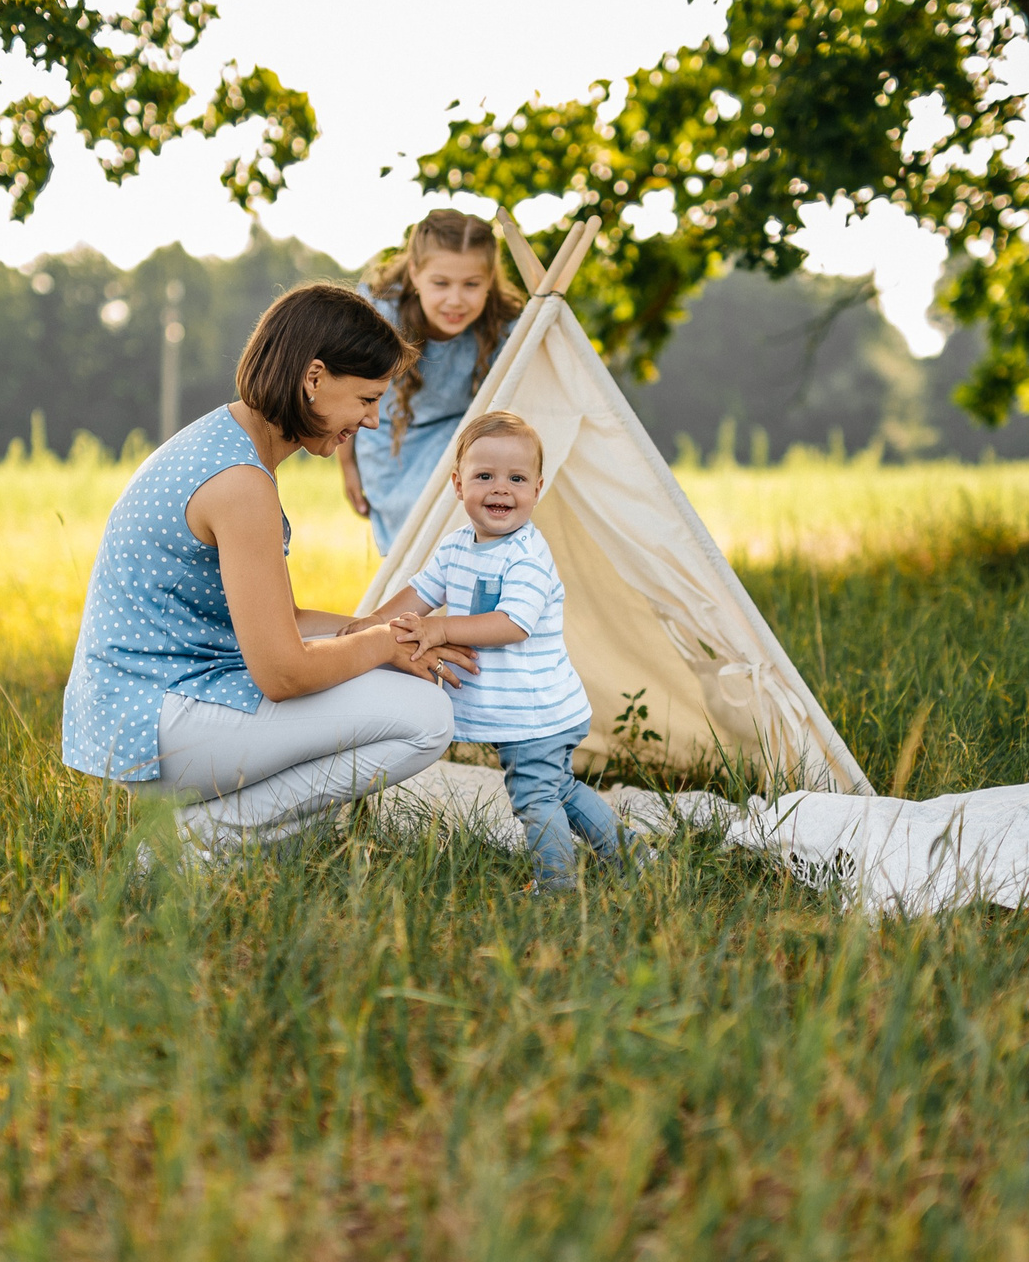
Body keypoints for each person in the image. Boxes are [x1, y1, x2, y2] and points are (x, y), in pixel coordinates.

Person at [61, 282, 478, 851]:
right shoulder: (239, 483)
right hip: (153, 725)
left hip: (139, 712)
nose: (374, 421)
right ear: (313, 378)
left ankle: (252, 836)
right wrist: (382, 646)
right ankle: (192, 842)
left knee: (374, 674)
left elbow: (279, 619)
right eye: (366, 398)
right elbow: (283, 673)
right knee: (428, 716)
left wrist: (375, 633)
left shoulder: (225, 445)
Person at [351, 410, 624, 887]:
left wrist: (440, 630)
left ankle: (557, 886)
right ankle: (631, 859)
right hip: (520, 710)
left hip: (538, 710)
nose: (501, 489)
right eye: (485, 476)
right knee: (558, 790)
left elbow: (512, 623)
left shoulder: (528, 555)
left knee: (536, 799)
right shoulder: (456, 546)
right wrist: (374, 623)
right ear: (458, 486)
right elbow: (421, 591)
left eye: (517, 478)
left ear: (537, 490)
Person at [340, 209, 526, 553]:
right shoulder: (381, 316)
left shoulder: (505, 325)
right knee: (417, 547)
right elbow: (346, 394)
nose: (455, 299)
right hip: (392, 443)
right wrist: (348, 466)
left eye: (471, 285)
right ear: (415, 273)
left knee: (476, 518)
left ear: (489, 281)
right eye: (441, 283)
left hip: (459, 440)